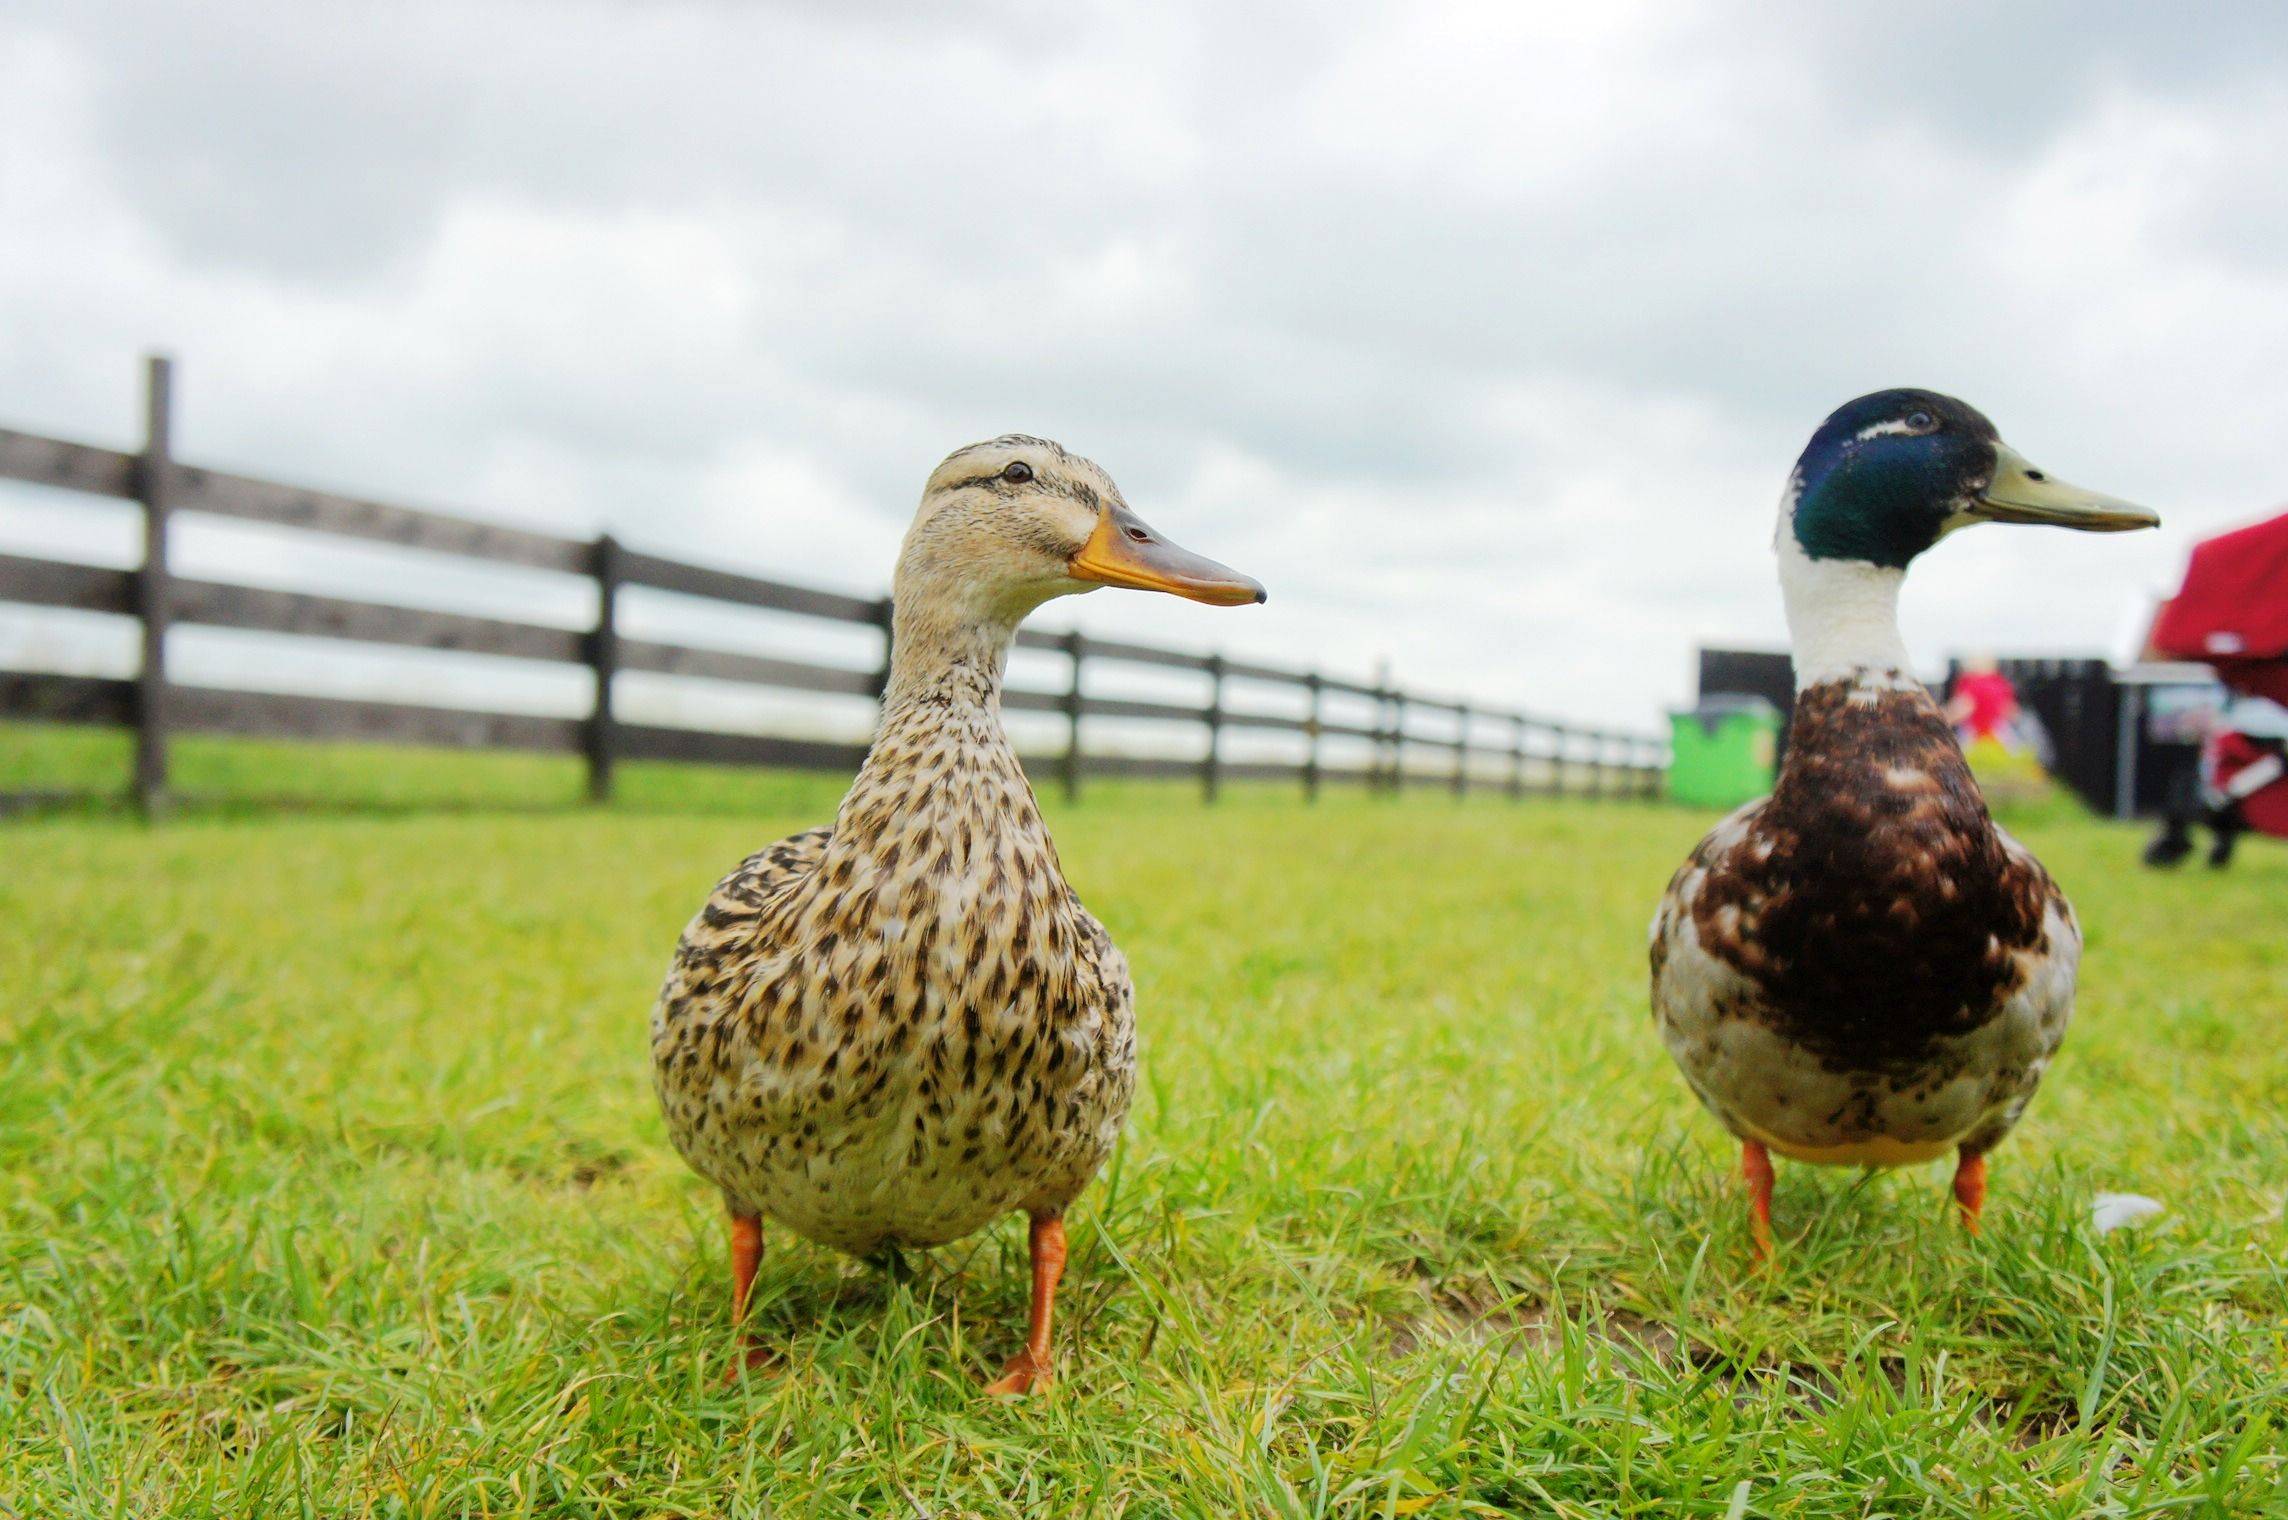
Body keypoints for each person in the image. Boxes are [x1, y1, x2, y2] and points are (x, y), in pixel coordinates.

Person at [2145, 695, 2288, 868]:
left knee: (2201, 796)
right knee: (2191, 790)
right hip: (2239, 803)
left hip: (2258, 807)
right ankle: (2178, 844)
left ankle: (2178, 844)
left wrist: (2223, 794)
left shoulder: (2240, 742)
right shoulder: (2232, 742)